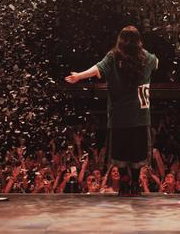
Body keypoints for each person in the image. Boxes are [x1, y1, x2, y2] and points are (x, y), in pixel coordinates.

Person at [66, 25, 158, 196]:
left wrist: (79, 75)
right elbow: (157, 62)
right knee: (137, 154)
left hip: (119, 117)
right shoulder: (146, 58)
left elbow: (97, 68)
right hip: (139, 116)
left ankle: (124, 182)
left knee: (121, 153)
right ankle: (135, 183)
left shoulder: (113, 57)